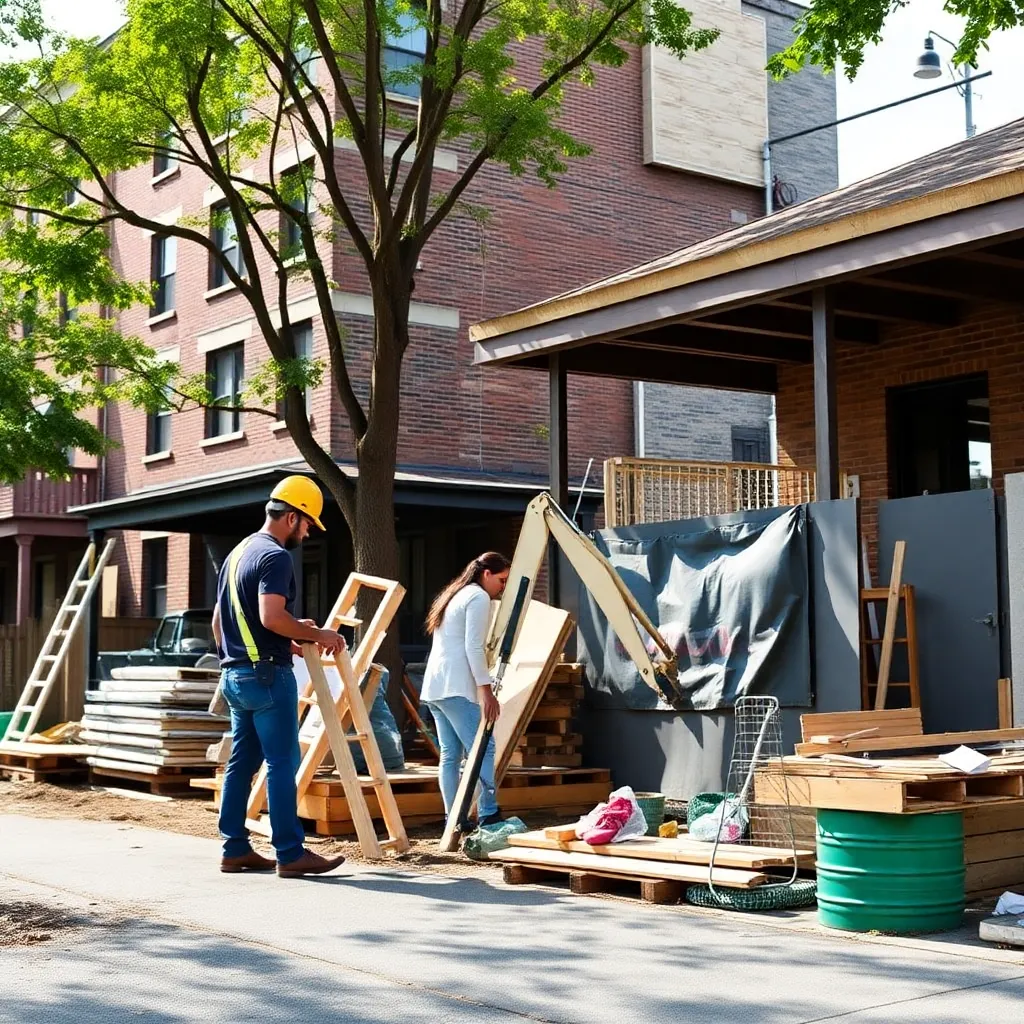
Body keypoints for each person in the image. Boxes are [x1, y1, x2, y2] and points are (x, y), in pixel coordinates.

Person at [213, 475, 348, 878]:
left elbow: (223, 622)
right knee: (281, 762)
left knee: (242, 762)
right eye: (307, 524)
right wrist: (317, 634)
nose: (307, 533)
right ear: (291, 516)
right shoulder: (274, 557)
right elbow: (272, 616)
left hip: (236, 675)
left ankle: (234, 848)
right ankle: (290, 853)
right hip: (268, 680)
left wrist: (281, 642)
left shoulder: (236, 554)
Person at [421, 552, 511, 829]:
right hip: (457, 686)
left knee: (450, 755)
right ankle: (488, 813)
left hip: (435, 685)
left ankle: (454, 818)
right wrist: (486, 692)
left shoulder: (455, 594)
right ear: (486, 574)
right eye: (501, 579)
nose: (503, 586)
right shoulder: (478, 598)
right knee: (483, 747)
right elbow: (473, 647)